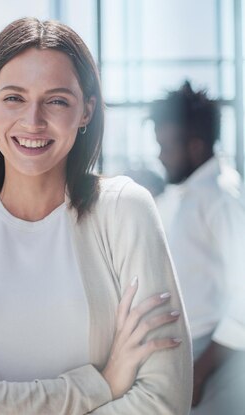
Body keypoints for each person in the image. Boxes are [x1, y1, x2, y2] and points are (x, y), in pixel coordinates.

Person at [0, 17, 193, 414]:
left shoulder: (126, 211)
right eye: (14, 98)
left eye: (57, 100)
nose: (33, 121)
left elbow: (163, 402)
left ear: (86, 111)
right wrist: (103, 384)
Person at [149, 81, 245, 414]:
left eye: (166, 145)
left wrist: (201, 371)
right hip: (188, 357)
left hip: (217, 362)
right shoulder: (182, 194)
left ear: (195, 145)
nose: (160, 155)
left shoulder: (221, 196)